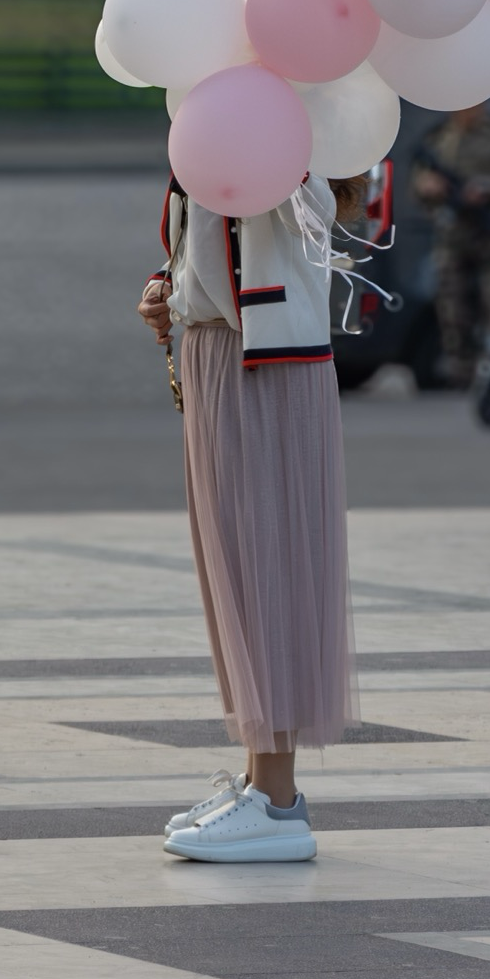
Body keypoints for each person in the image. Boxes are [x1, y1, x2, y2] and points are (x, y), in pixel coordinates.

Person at [137, 170, 360, 863]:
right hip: (215, 354)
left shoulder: (291, 129)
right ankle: (264, 785)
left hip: (267, 362)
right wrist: (169, 285)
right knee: (237, 571)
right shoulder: (208, 122)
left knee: (272, 570)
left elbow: (314, 217)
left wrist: (276, 155)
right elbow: (209, 235)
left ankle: (278, 801)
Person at [411, 106, 490, 387]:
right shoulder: (438, 139)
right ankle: (462, 373)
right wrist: (426, 187)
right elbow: (417, 186)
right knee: (452, 308)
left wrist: (487, 188)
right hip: (451, 238)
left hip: (489, 238)